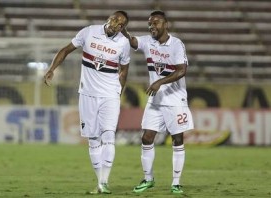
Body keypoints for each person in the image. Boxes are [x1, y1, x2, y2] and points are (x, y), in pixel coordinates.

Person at [44, 11, 130, 194]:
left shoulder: (123, 43)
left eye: (120, 24)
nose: (116, 24)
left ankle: (104, 182)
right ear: (108, 18)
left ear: (123, 28)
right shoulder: (89, 32)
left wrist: (118, 92)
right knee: (93, 139)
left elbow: (124, 69)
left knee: (108, 136)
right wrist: (52, 69)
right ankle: (99, 182)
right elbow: (66, 50)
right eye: (114, 19)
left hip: (110, 95)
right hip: (87, 94)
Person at [122, 10, 194, 194]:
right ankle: (148, 179)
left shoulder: (176, 44)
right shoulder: (147, 41)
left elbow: (181, 71)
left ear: (165, 24)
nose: (152, 26)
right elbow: (133, 42)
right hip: (156, 100)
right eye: (150, 24)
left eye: (156, 23)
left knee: (177, 139)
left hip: (175, 99)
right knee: (146, 137)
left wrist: (159, 82)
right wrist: (124, 31)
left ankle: (176, 182)